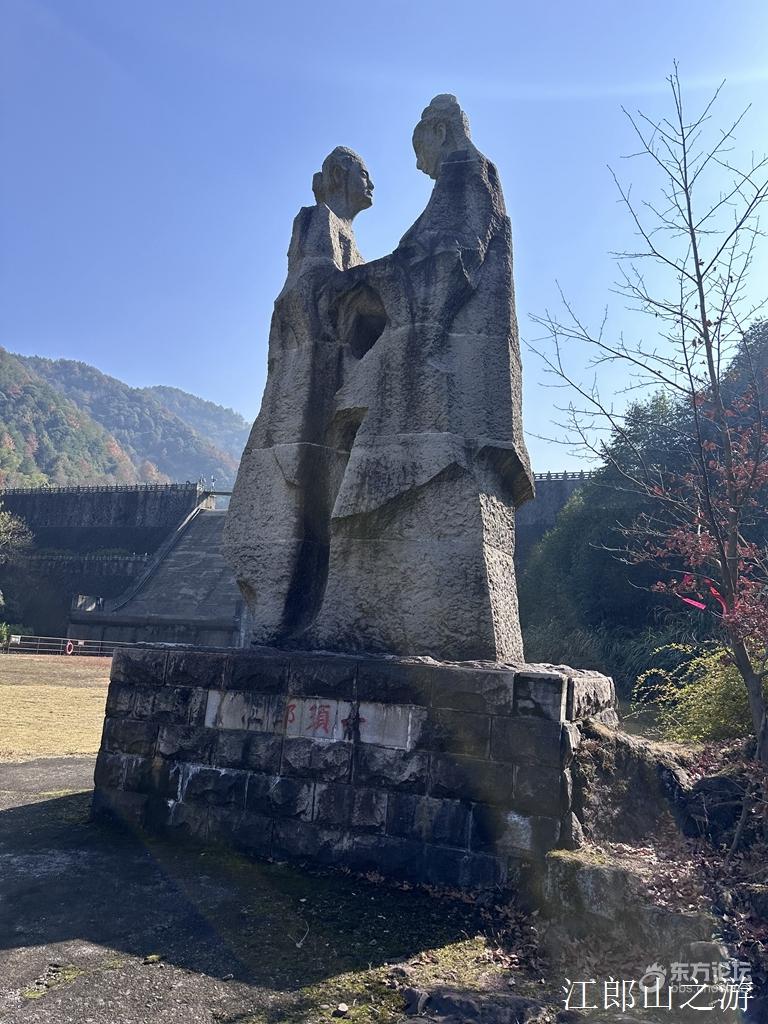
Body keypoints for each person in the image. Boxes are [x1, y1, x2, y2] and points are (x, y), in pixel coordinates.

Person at [223, 147, 374, 642]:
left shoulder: (347, 235)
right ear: (339, 175)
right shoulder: (317, 219)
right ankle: (280, 619)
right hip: (306, 381)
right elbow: (309, 286)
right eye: (363, 174)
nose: (371, 184)